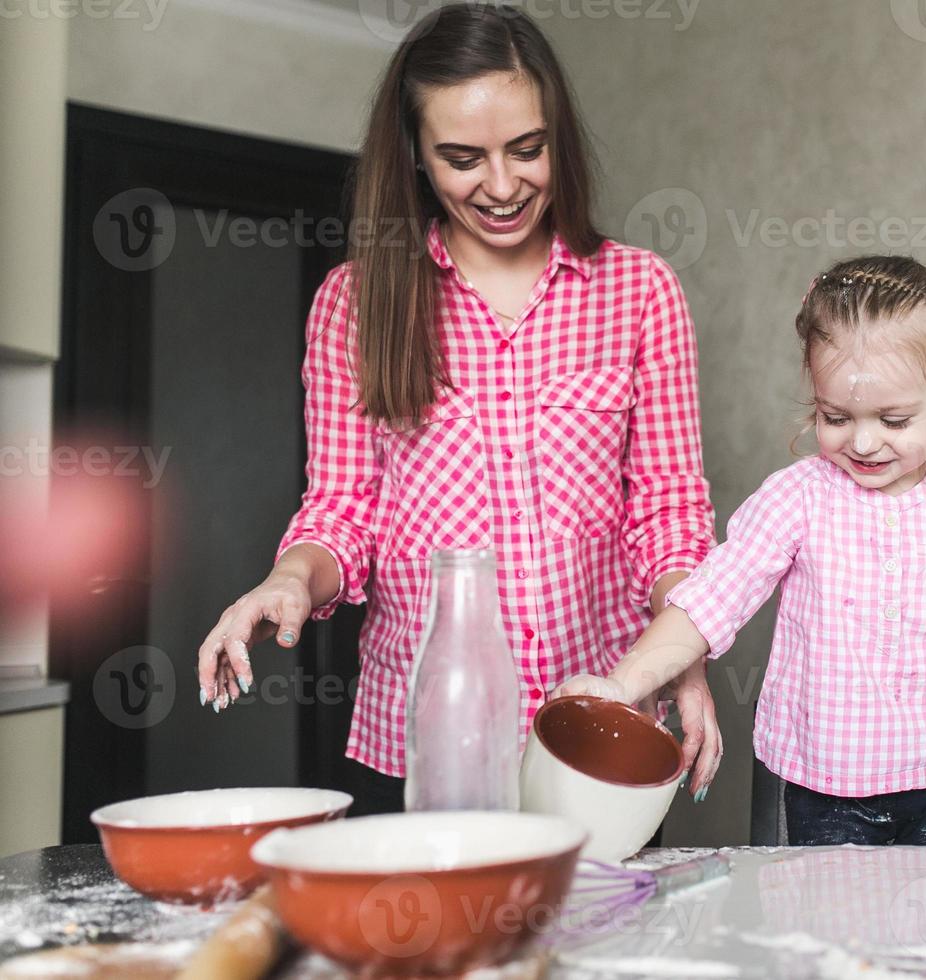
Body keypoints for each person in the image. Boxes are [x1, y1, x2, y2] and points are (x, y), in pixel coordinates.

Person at [195, 3, 722, 815]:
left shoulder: (639, 291)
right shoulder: (356, 305)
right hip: (420, 739)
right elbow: (343, 511)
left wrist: (681, 662)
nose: (505, 186)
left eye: (528, 149)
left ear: (559, 138)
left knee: (591, 943)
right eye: (463, 158)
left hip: (595, 739)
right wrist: (290, 581)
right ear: (414, 155)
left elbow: (667, 515)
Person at [556, 255, 926, 845]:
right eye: (836, 416)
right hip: (826, 788)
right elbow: (709, 601)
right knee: (837, 930)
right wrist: (623, 685)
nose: (862, 442)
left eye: (893, 419)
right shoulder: (797, 499)